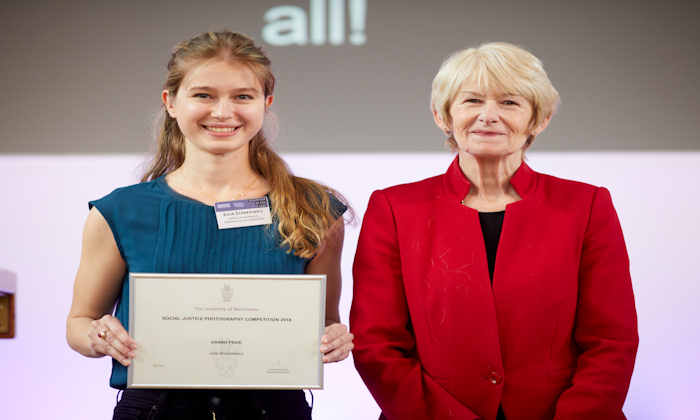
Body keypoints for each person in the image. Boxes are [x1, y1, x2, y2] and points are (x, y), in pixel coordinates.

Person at [66, 30, 354, 420]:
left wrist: (335, 339)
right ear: (170, 102)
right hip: (156, 410)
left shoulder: (314, 209)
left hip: (275, 410)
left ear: (266, 103)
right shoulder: (120, 211)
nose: (223, 112)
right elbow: (80, 323)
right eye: (203, 95)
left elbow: (326, 323)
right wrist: (98, 337)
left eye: (243, 96)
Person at [350, 42, 638, 420]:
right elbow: (376, 344)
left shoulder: (586, 206)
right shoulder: (393, 208)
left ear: (539, 119)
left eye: (509, 102)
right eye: (471, 101)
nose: (488, 116)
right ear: (442, 115)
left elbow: (611, 340)